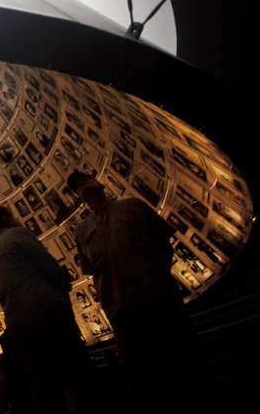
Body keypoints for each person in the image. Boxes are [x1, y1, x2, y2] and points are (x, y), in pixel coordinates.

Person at [67, 171, 194, 410]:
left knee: (179, 365)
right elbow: (92, 270)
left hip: (158, 299)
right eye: (78, 188)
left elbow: (163, 243)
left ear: (99, 183)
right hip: (121, 310)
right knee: (141, 378)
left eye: (85, 182)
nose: (84, 189)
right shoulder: (82, 230)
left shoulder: (132, 207)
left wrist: (156, 276)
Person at [0, 206, 92, 414]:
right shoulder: (19, 235)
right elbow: (47, 264)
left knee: (44, 385)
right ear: (6, 218)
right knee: (77, 375)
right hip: (48, 313)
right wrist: (64, 284)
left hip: (20, 324)